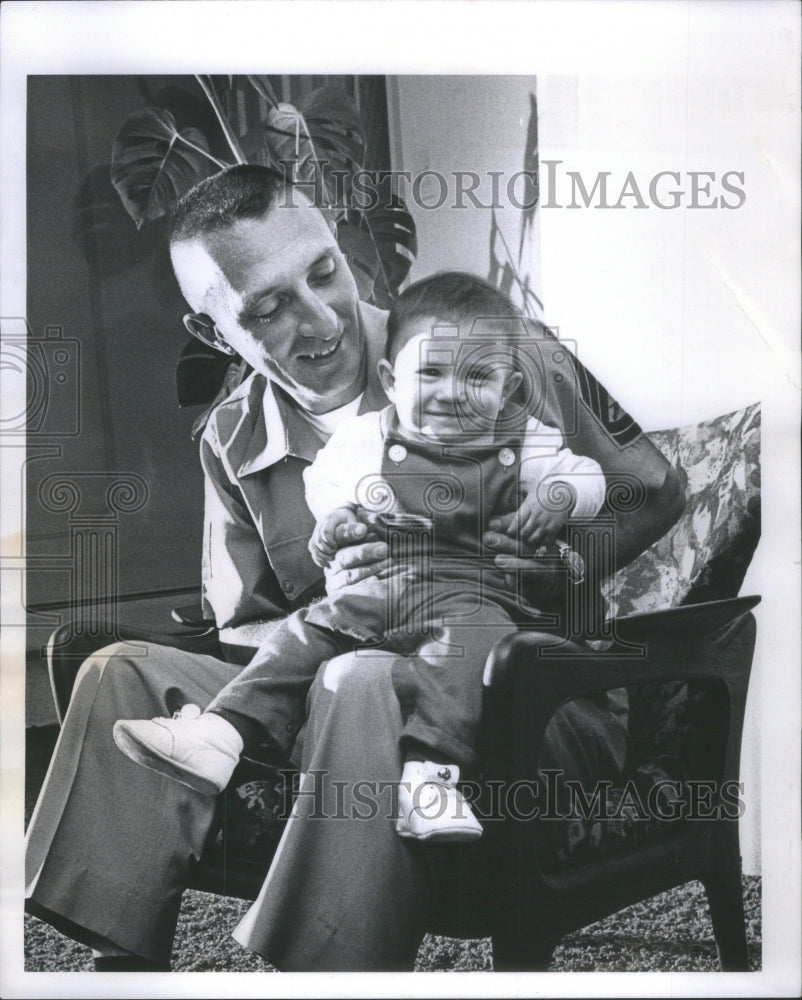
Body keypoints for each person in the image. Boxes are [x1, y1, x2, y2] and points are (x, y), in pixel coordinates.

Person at [25, 164, 686, 971]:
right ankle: (120, 965)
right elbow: (243, 626)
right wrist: (348, 595)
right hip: (337, 696)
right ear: (214, 334)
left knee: (362, 679)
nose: (319, 319)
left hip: (527, 700)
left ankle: (324, 971)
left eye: (324, 271)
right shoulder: (232, 438)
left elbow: (654, 486)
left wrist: (539, 571)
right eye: (266, 308)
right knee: (117, 671)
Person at [112, 271, 607, 844]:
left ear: (507, 385)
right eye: (431, 372)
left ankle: (430, 778)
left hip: (475, 593)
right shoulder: (365, 436)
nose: (452, 391)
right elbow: (325, 485)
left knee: (468, 650)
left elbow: (586, 475)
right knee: (300, 637)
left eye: (478, 377)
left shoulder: (526, 438)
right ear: (392, 380)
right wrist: (336, 521)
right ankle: (223, 733)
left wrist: (557, 495)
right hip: (379, 590)